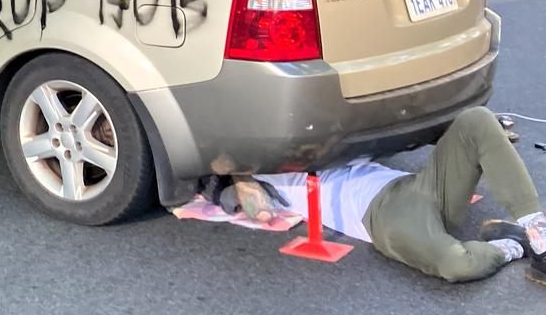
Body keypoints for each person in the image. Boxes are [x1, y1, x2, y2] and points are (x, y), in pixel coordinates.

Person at [229, 107, 545, 284]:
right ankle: (513, 244)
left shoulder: (308, 124)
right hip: (384, 218)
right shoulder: (250, 167)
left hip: (412, 185)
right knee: (457, 265)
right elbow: (257, 207)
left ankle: (537, 231)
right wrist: (241, 179)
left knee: (476, 120)